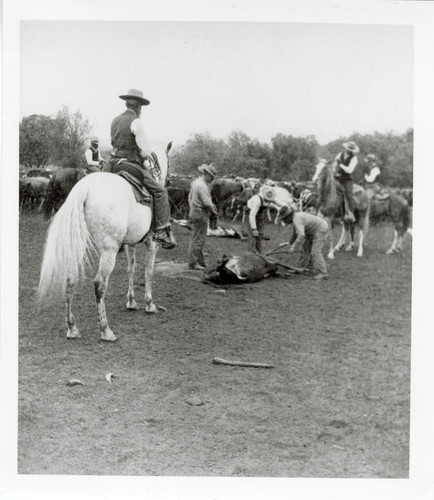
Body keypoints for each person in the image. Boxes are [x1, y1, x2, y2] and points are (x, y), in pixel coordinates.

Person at [109, 88, 176, 249]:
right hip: (129, 165)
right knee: (161, 192)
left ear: (126, 103)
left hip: (111, 164)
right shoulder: (136, 122)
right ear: (139, 106)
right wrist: (143, 156)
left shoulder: (115, 120)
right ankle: (161, 231)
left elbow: (114, 142)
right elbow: (145, 151)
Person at [279, 205, 329, 280]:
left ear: (288, 217)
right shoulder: (295, 218)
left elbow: (301, 235)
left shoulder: (297, 220)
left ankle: (323, 273)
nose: (284, 221)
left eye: (284, 219)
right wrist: (290, 243)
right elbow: (295, 233)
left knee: (315, 252)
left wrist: (293, 248)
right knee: (305, 248)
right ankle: (303, 268)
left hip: (320, 229)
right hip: (313, 230)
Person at [187, 164, 218, 270]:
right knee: (199, 239)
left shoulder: (195, 183)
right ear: (207, 174)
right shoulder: (203, 186)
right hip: (201, 213)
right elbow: (207, 203)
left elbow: (190, 198)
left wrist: (192, 208)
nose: (212, 179)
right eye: (212, 177)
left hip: (194, 211)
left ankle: (200, 261)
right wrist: (213, 212)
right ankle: (193, 262)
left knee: (196, 237)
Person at [245, 185, 282, 254]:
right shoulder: (257, 200)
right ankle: (251, 252)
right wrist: (254, 229)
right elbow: (252, 215)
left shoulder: (270, 197)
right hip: (251, 213)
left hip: (260, 213)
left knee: (260, 233)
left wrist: (286, 206)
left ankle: (260, 251)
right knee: (253, 234)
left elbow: (278, 202)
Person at [332, 141, 360, 223]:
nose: (349, 151)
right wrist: (334, 170)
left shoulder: (354, 158)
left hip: (347, 179)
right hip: (338, 177)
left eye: (350, 150)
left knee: (348, 195)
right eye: (348, 149)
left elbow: (349, 170)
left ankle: (350, 214)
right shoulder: (339, 155)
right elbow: (334, 164)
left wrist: (340, 164)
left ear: (352, 151)